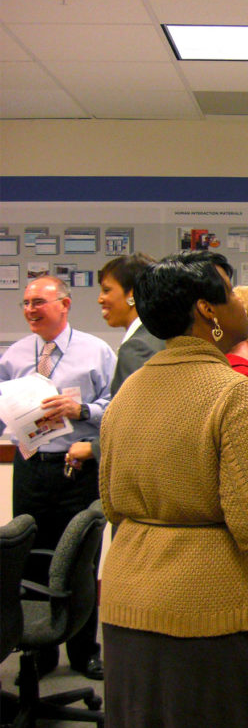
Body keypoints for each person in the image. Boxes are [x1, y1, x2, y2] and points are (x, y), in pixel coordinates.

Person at [98, 251, 248, 728]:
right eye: (229, 296)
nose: (238, 305)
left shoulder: (127, 393)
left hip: (127, 606)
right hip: (212, 615)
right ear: (207, 311)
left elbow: (112, 503)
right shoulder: (234, 394)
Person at [0, 275, 115, 681]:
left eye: (39, 302)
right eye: (26, 303)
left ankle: (84, 652)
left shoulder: (96, 351)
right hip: (31, 466)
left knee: (79, 561)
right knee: (29, 557)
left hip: (76, 467)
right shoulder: (14, 355)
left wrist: (80, 409)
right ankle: (39, 649)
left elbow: (114, 405)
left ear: (64, 305)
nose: (31, 309)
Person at [65, 254, 165, 473]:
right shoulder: (158, 335)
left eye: (107, 290)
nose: (100, 299)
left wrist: (94, 448)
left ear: (132, 294)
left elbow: (136, 423)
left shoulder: (139, 346)